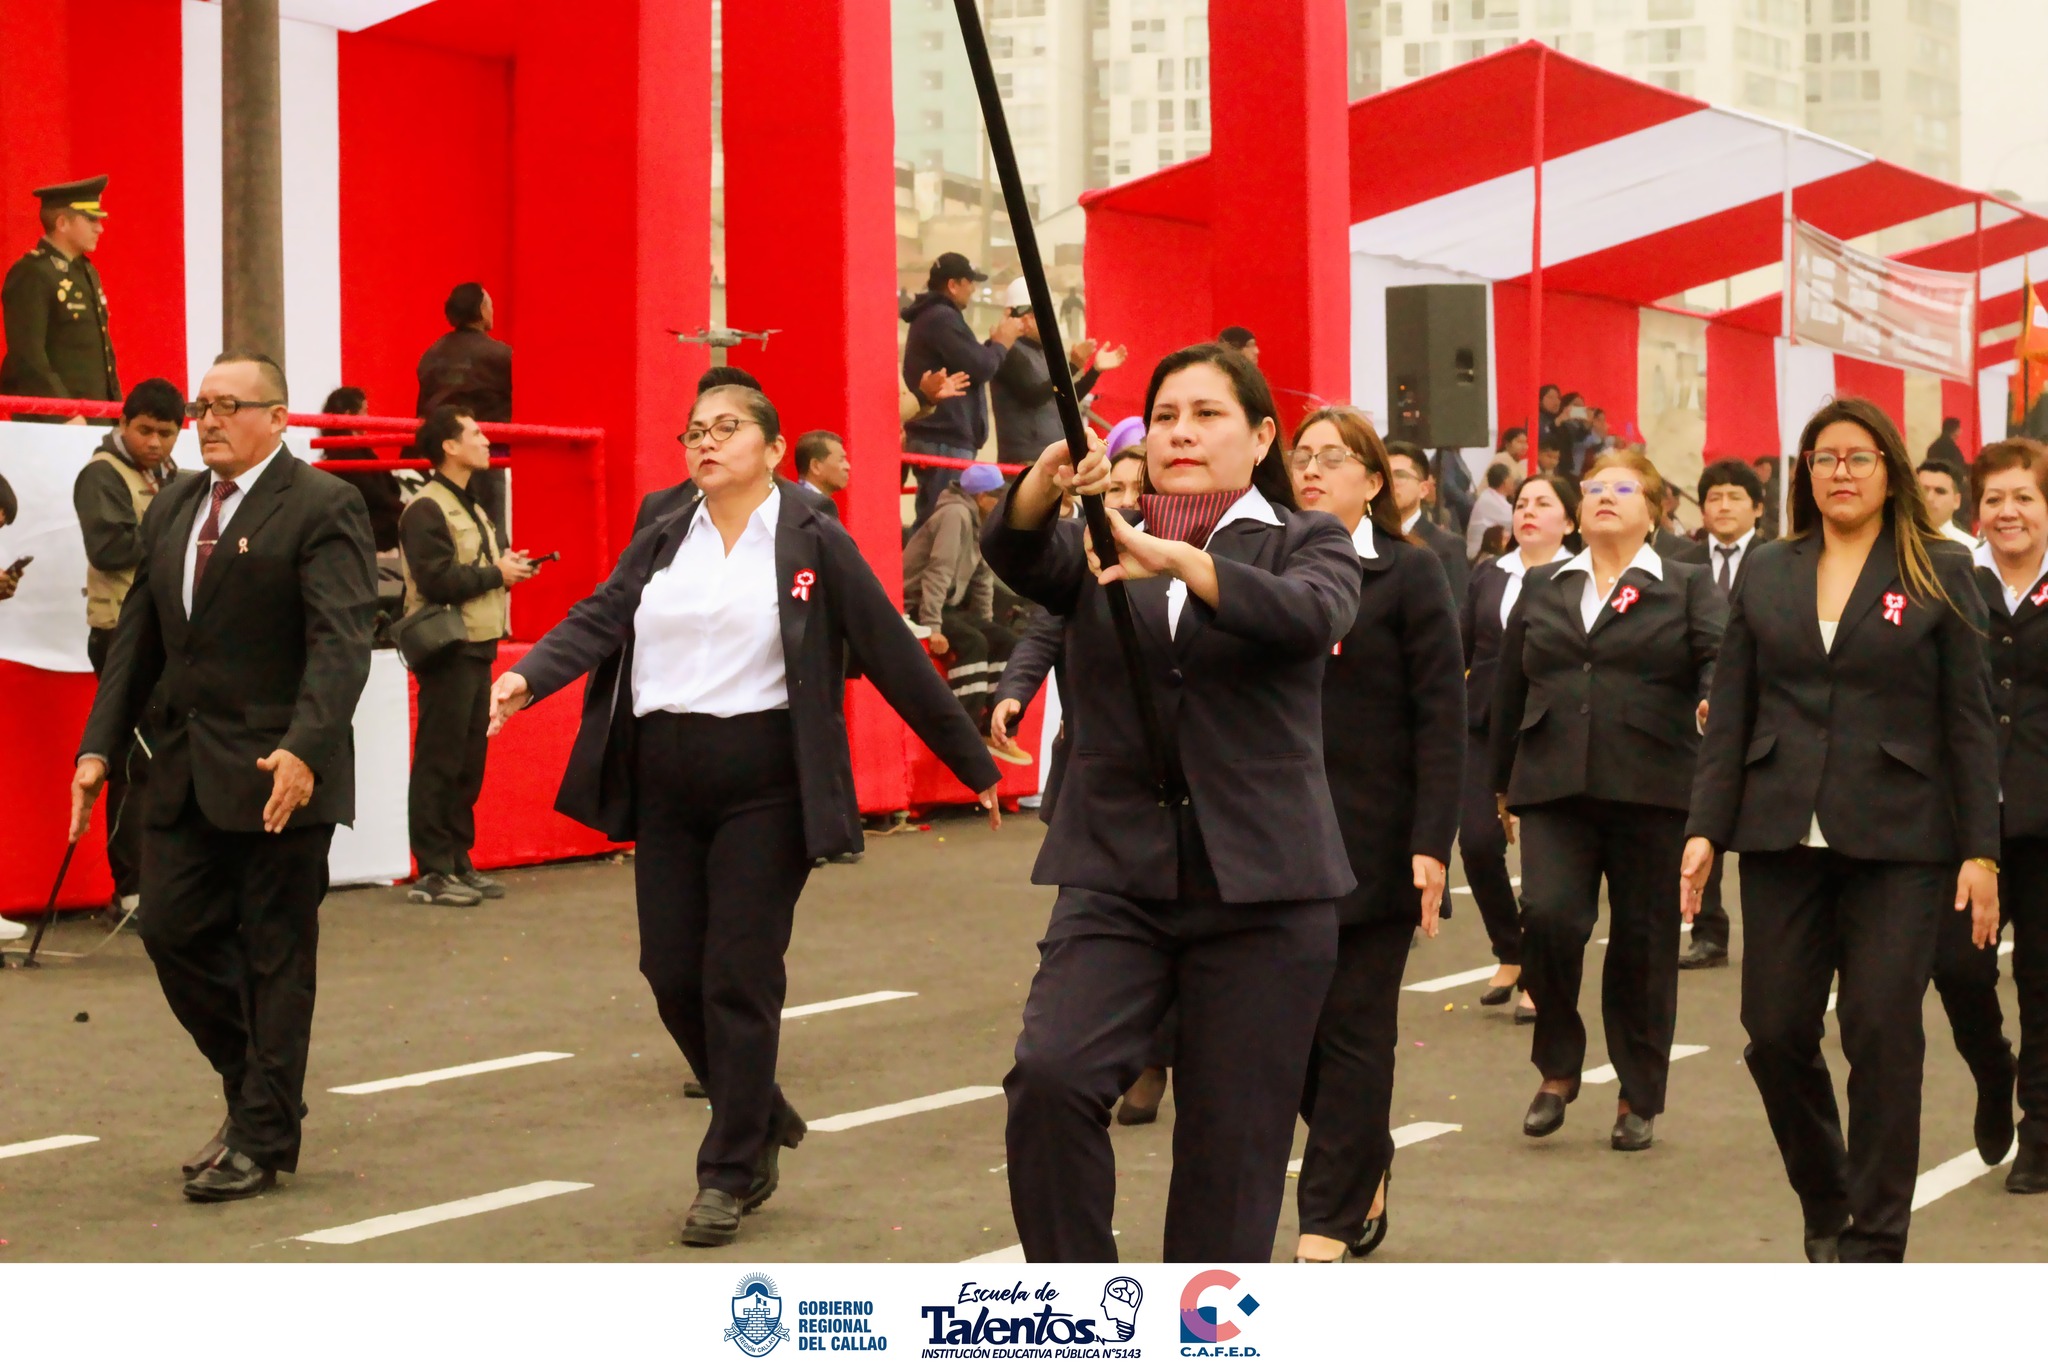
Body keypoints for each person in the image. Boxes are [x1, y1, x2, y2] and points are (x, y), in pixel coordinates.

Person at [484, 382, 1000, 1248]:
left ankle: (728, 1168)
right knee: (669, 970)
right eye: (695, 430)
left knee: (738, 972)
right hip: (665, 777)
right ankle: (756, 1104)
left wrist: (971, 760)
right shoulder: (663, 520)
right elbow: (606, 612)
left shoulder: (810, 535)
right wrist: (529, 675)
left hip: (766, 782)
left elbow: (885, 643)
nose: (706, 443)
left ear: (771, 446)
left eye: (728, 429)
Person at [983, 341, 1360, 1264]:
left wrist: (1180, 561)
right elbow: (1021, 555)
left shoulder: (1308, 538)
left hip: (1265, 891)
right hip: (1117, 874)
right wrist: (1041, 484)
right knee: (1050, 1076)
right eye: (1163, 417)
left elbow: (1309, 617)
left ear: (1262, 433)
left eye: (1207, 414)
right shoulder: (1098, 538)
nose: (1181, 433)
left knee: (1229, 1157)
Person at [1680, 396, 2001, 1262]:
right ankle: (1827, 1196)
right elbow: (1734, 707)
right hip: (1782, 831)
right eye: (1824, 458)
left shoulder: (1938, 566)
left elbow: (1968, 720)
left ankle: (1876, 1237)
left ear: (1889, 468)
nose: (1841, 473)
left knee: (1880, 1030)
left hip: (1901, 838)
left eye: (1858, 458)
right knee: (1775, 1030)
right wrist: (1706, 826)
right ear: (1804, 473)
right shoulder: (1772, 569)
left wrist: (1981, 851)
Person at [68, 350, 377, 1202]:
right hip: (184, 770)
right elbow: (140, 639)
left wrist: (307, 746)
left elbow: (341, 640)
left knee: (276, 954)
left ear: (277, 418)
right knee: (169, 929)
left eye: (228, 406)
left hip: (283, 772)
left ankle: (262, 1135)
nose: (208, 419)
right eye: (204, 404)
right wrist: (98, 746)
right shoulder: (173, 504)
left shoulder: (322, 504)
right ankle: (257, 1095)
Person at [1494, 449, 1723, 1152]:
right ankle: (1559, 1064)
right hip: (1554, 781)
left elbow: (1719, 658)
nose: (1603, 497)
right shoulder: (1543, 585)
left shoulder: (1685, 584)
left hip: (1652, 785)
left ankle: (1637, 1091)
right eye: (1593, 487)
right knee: (1551, 917)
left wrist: (1716, 699)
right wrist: (1498, 784)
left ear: (1652, 509)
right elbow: (1508, 688)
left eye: (1622, 487)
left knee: (1644, 943)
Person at [1286, 406, 1463, 1262]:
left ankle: (1324, 1220)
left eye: (1334, 456)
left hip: (1373, 844)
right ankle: (1365, 1155)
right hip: (1269, 845)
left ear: (1372, 479)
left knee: (1355, 1028)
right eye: (1301, 456)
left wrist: (1433, 841)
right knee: (1287, 1034)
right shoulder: (1257, 565)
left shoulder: (1408, 573)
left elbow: (1441, 714)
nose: (1313, 468)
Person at [400, 405, 540, 907]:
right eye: (475, 434)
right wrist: (495, 575)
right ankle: (433, 870)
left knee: (467, 759)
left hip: (478, 644)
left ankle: (459, 859)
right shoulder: (426, 507)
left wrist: (507, 569)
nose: (486, 441)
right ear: (449, 447)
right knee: (439, 759)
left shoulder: (473, 504)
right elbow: (436, 579)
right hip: (447, 647)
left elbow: (478, 567)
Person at [1461, 473, 1578, 1016]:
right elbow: (1461, 648)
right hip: (1484, 724)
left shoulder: (1582, 579)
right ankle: (1511, 949)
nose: (1527, 512)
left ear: (1569, 521)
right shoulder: (1489, 575)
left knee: (1541, 864)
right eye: (1521, 503)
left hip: (1549, 729)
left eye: (1543, 504)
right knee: (1478, 845)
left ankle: (1541, 974)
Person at [74, 376, 187, 922]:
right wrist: (175, 525)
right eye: (145, 431)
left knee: (165, 759)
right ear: (123, 423)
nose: (155, 443)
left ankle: (159, 883)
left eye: (166, 433)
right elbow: (110, 546)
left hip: (170, 633)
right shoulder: (101, 474)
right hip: (120, 631)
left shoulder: (172, 477)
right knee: (135, 762)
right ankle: (133, 888)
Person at [1969, 439, 2048, 1192]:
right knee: (1954, 966)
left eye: (2023, 496)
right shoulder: (1951, 581)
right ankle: (1994, 1068)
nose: (2009, 511)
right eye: (1995, 498)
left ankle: (2041, 1131)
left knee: (2044, 981)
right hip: (1965, 821)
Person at [1681, 459, 1769, 972]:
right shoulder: (1683, 564)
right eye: (1714, 497)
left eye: (1735, 496)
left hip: (1768, 710)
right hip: (1704, 716)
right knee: (1705, 816)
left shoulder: (1781, 560)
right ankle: (1707, 931)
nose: (1723, 506)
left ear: (1757, 506)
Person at [903, 463, 1017, 758]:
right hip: (920, 606)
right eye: (997, 497)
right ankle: (961, 733)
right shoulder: (955, 514)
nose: (1000, 505)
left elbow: (981, 581)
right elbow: (937, 572)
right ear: (981, 498)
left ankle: (993, 728)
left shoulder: (978, 522)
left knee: (1004, 640)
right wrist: (932, 627)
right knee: (974, 643)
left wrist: (986, 623)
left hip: (948, 607)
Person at [901, 253, 1022, 526]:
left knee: (940, 519)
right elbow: (981, 366)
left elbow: (973, 361)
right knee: (941, 521)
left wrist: (992, 346)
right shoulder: (941, 318)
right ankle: (925, 570)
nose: (973, 289)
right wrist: (1002, 343)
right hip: (943, 438)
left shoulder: (935, 317)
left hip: (941, 436)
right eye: (970, 282)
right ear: (953, 285)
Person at [2, 177, 118, 421]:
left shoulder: (86, 271)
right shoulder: (32, 273)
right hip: (56, 422)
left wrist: (117, 412)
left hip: (95, 417)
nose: (100, 228)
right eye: (91, 219)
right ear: (63, 223)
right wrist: (64, 411)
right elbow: (28, 355)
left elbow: (103, 355)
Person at [990, 276, 1124, 468]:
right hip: (1025, 462)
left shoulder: (1043, 352)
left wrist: (1094, 371)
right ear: (1026, 317)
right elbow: (1033, 395)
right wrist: (1073, 366)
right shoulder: (1007, 351)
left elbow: (1062, 399)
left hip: (1053, 459)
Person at [415, 282, 512, 527]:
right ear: (481, 309)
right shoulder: (501, 355)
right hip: (490, 457)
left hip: (439, 456)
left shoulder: (430, 354)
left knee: (445, 525)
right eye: (489, 304)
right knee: (492, 531)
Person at [317, 386, 404, 552]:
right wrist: (404, 509)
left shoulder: (358, 449)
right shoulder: (345, 453)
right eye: (364, 411)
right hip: (369, 529)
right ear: (349, 415)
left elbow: (388, 489)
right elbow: (375, 495)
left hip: (375, 523)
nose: (368, 417)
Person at [1386, 439, 1468, 609]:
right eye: (1386, 475)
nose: (1391, 483)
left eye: (1400, 475)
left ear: (1423, 489)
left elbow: (1457, 612)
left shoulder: (1447, 546)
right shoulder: (1366, 540)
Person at [1919, 456, 1976, 548]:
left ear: (1956, 501)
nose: (1929, 498)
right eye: (1922, 490)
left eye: (1939, 491)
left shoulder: (1971, 549)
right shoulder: (1893, 542)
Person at [1465, 460, 1516, 561]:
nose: (1514, 483)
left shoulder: (1491, 496)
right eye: (1511, 479)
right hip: (1479, 555)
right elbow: (1513, 519)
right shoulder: (1489, 500)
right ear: (1505, 481)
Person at [790, 430, 850, 514]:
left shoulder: (820, 507)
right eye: (841, 460)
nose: (848, 467)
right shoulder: (799, 510)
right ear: (816, 466)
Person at [1752, 454, 1784, 541]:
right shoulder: (1748, 488)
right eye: (1763, 469)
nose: (1766, 474)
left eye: (1768, 471)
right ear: (1755, 469)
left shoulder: (1773, 490)